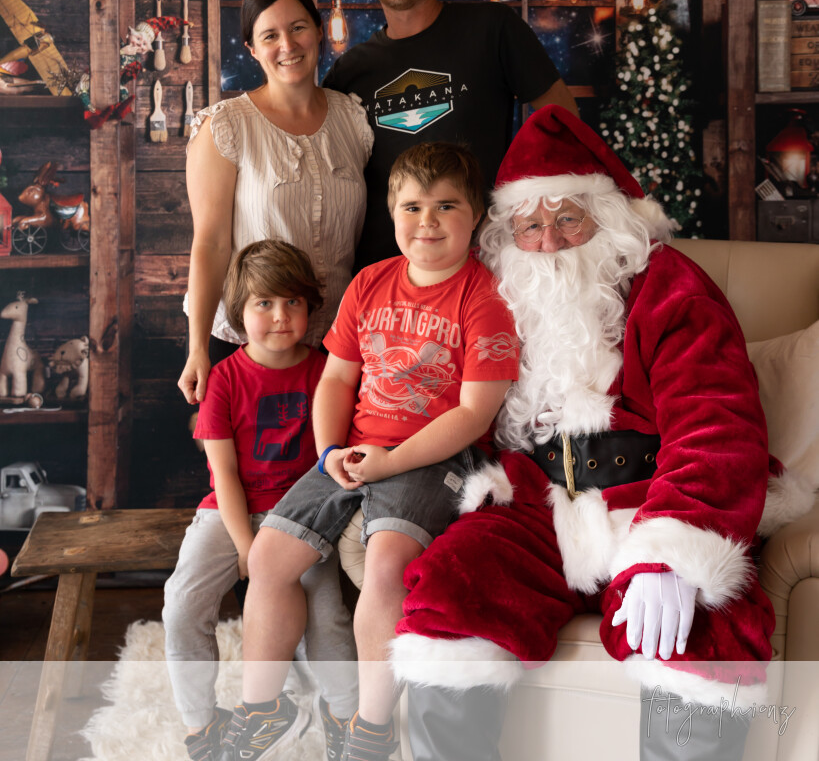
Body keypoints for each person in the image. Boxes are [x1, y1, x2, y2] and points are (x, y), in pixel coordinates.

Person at [390, 107, 815, 761]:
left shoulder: (672, 289)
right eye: (530, 225)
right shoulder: (495, 297)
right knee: (452, 590)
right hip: (537, 506)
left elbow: (716, 422)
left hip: (650, 500)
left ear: (608, 218)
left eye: (567, 218)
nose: (549, 242)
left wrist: (673, 547)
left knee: (702, 630)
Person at [217, 143, 520, 761]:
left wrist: (392, 462)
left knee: (385, 568)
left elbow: (474, 414)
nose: (427, 221)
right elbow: (336, 379)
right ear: (391, 211)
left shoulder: (485, 298)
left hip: (436, 456)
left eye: (446, 206)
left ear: (476, 215)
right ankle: (263, 706)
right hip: (354, 449)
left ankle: (371, 727)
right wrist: (329, 450)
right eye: (412, 207)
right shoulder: (370, 283)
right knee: (269, 556)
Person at [163, 239, 358, 761]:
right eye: (264, 303)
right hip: (231, 511)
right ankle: (203, 727)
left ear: (310, 306)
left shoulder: (326, 372)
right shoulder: (224, 380)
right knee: (182, 603)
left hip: (304, 513)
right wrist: (248, 548)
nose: (280, 316)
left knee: (327, 615)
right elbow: (224, 474)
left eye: (293, 302)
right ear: (239, 312)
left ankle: (348, 721)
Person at [322, 0, 579, 268]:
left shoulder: (492, 29)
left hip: (485, 261)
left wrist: (531, 209)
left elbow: (564, 122)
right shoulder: (350, 70)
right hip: (387, 270)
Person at [179, 0, 373, 405]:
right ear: (252, 48)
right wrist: (197, 348)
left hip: (338, 347)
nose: (288, 44)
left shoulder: (353, 119)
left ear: (319, 31)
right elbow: (210, 244)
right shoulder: (225, 127)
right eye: (270, 35)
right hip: (250, 345)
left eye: (298, 27)